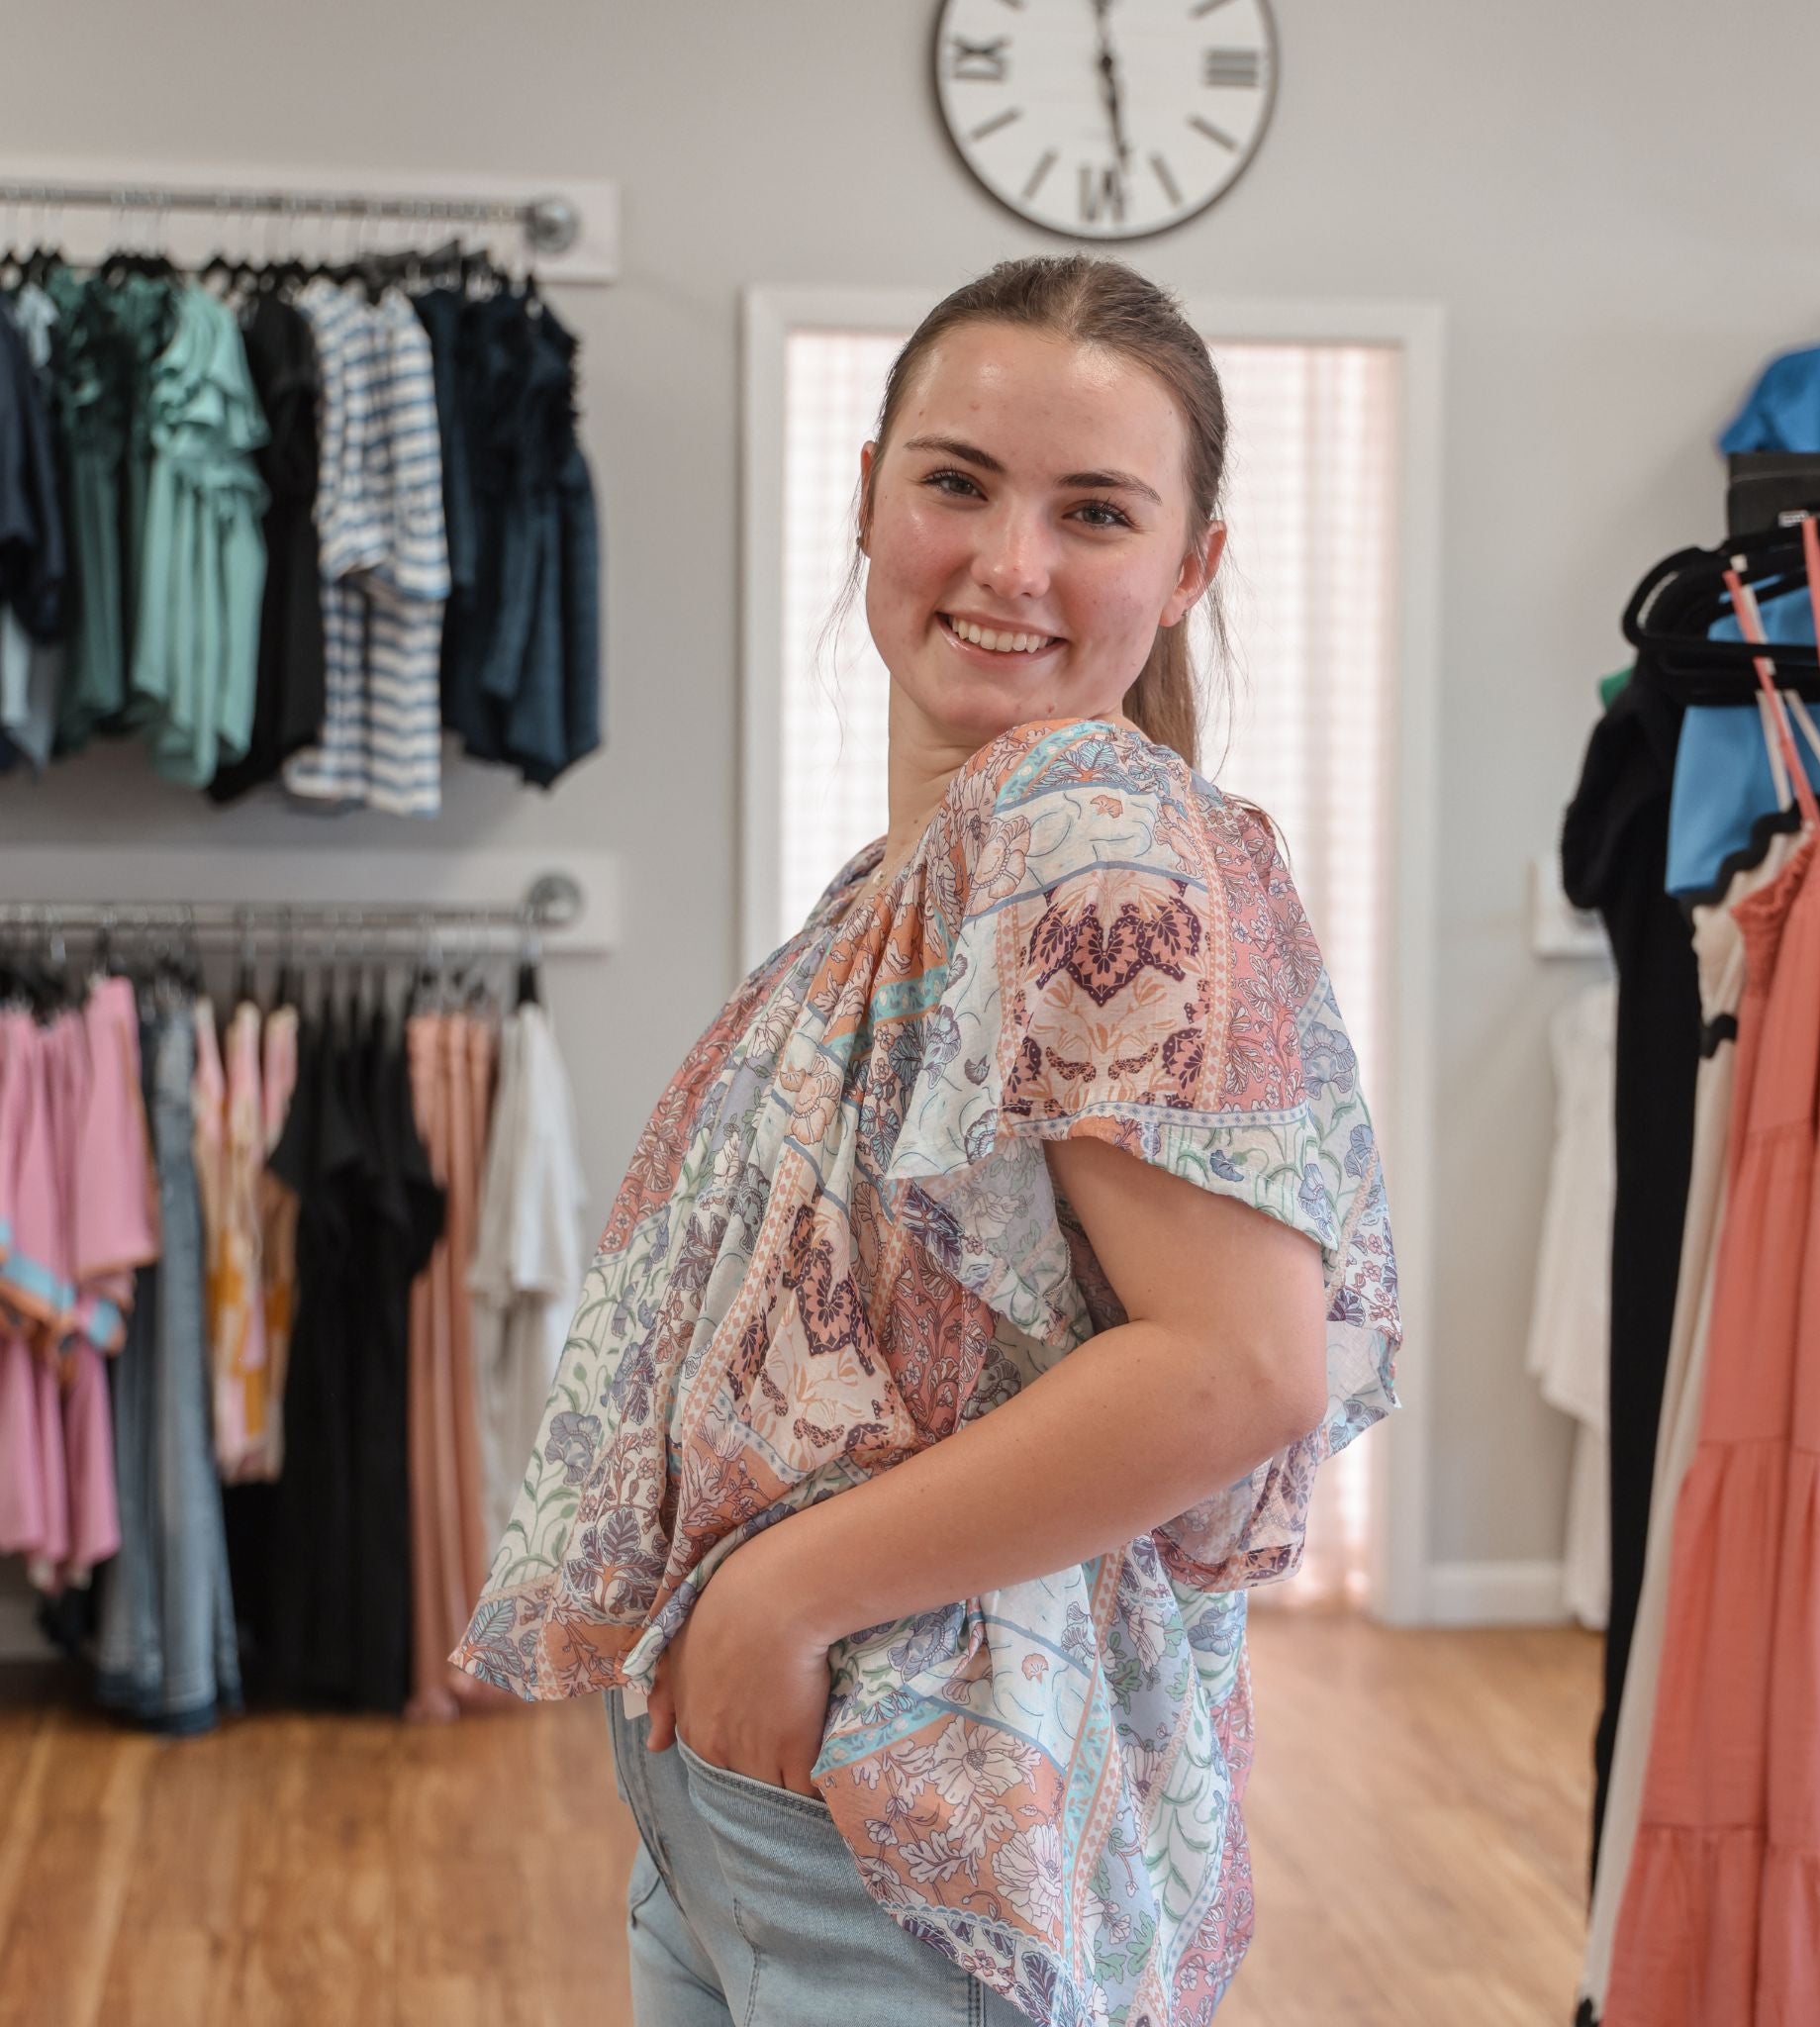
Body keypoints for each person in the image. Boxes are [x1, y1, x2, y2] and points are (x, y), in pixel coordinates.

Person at [451, 254, 1401, 2027]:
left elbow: (1237, 1366)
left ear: (1192, 569)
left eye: (1095, 511)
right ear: (869, 493)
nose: (1010, 564)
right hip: (770, 1801)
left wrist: (777, 1604)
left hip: (899, 1808)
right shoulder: (903, 881)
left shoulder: (1089, 831)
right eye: (956, 481)